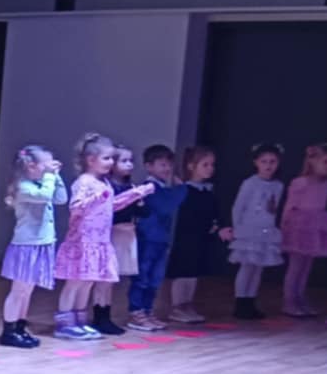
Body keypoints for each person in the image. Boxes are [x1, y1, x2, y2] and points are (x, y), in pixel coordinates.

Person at [52, 134, 153, 340]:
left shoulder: (104, 182)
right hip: (82, 241)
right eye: (106, 158)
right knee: (75, 283)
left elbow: (111, 205)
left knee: (88, 282)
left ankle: (79, 320)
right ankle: (64, 323)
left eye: (112, 158)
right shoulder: (84, 181)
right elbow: (76, 207)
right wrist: (95, 198)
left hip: (99, 241)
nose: (110, 163)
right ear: (91, 160)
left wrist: (136, 194)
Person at [0, 146, 65, 349]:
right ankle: (8, 331)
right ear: (31, 166)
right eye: (46, 165)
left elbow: (61, 198)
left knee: (28, 291)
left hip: (41, 243)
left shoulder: (42, 183)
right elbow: (45, 196)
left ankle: (20, 327)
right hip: (26, 245)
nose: (49, 168)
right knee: (19, 290)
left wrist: (56, 177)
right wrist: (50, 176)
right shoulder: (24, 187)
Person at [164, 145, 232, 323]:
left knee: (193, 273)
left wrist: (219, 228)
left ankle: (187, 305)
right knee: (183, 273)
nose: (210, 168)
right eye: (205, 165)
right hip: (186, 239)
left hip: (201, 239)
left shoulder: (207, 192)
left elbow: (213, 214)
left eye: (212, 165)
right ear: (191, 166)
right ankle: (177, 307)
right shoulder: (185, 191)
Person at [127, 145, 189, 332]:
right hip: (147, 239)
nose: (167, 168)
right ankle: (136, 313)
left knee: (155, 279)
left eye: (169, 164)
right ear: (149, 166)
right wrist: (181, 189)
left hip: (160, 240)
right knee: (142, 277)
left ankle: (147, 311)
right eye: (162, 164)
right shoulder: (150, 188)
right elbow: (165, 206)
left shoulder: (162, 188)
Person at [280, 141, 327, 317]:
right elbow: (289, 206)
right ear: (312, 161)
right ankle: (289, 302)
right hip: (299, 226)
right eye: (325, 161)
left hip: (316, 225)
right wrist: (283, 227)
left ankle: (300, 298)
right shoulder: (300, 183)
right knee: (296, 266)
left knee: (306, 266)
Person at [230, 143, 286, 320]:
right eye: (264, 161)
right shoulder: (250, 183)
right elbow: (238, 207)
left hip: (266, 230)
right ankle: (240, 302)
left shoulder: (278, 185)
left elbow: (274, 209)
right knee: (247, 266)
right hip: (249, 229)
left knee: (258, 268)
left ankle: (250, 301)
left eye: (272, 161)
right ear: (256, 162)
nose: (268, 165)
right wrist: (238, 229)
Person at [93, 144, 141, 336]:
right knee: (104, 279)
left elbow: (141, 211)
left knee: (112, 279)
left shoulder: (131, 186)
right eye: (124, 161)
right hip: (111, 234)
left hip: (126, 234)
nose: (129, 165)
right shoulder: (107, 186)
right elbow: (110, 211)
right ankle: (99, 316)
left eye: (131, 161)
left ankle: (106, 315)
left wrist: (140, 201)